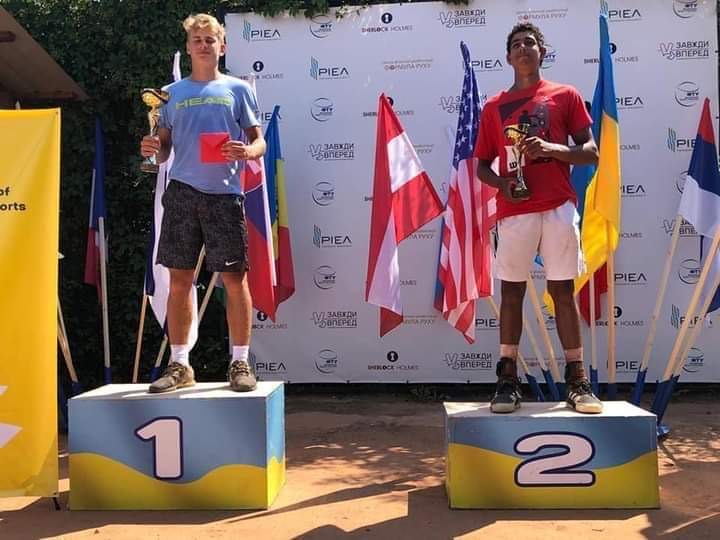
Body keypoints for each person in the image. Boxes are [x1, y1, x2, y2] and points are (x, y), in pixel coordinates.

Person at [474, 22, 602, 414]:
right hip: (515, 211)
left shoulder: (565, 95)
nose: (523, 48)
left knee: (562, 290)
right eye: (516, 44)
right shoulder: (494, 106)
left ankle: (577, 381)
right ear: (508, 57)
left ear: (541, 52)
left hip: (558, 205)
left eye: (530, 42)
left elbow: (591, 152)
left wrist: (550, 148)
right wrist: (502, 184)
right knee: (512, 292)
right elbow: (482, 166)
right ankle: (507, 381)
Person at [140, 13, 266, 393]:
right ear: (189, 46)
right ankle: (180, 364)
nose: (203, 45)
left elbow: (259, 141)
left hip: (225, 195)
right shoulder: (169, 94)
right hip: (182, 193)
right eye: (197, 40)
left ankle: (240, 362)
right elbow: (163, 151)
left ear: (222, 47)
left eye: (210, 40)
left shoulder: (238, 89)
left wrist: (247, 152)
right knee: (179, 281)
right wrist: (152, 148)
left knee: (234, 280)